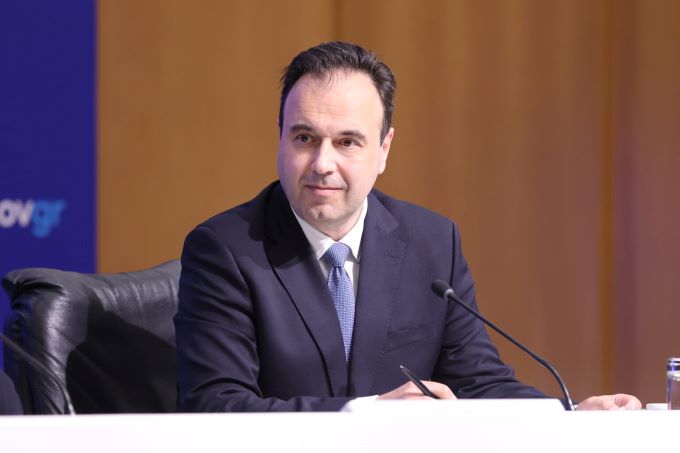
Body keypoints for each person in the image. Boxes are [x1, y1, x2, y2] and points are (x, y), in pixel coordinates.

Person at [174, 41, 640, 412]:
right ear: (280, 136)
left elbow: (478, 382)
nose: (322, 163)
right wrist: (366, 413)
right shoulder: (225, 249)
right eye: (304, 137)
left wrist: (569, 417)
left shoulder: (431, 242)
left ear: (383, 149)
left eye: (348, 142)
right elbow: (216, 404)